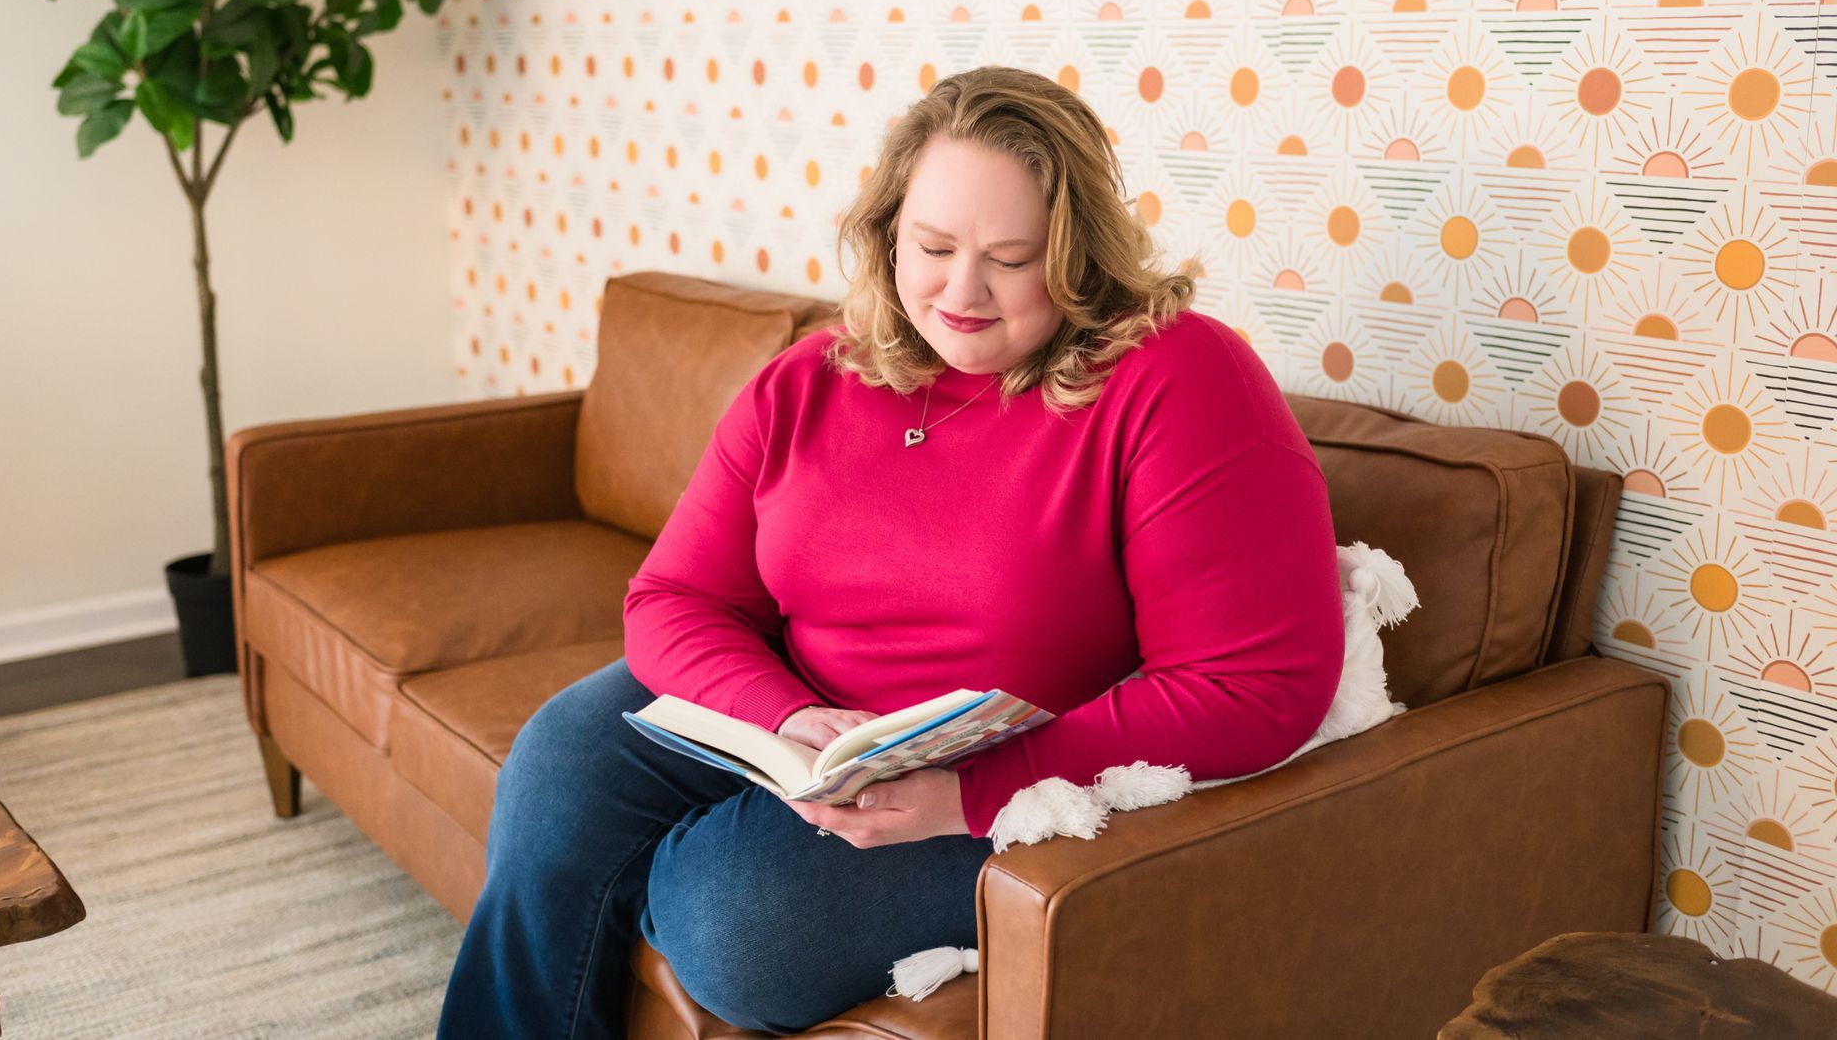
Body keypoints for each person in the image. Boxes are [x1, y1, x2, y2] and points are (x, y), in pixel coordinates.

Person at [435, 66, 1346, 1038]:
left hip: (1014, 766)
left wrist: (973, 789)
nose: (961, 290)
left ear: (1080, 256)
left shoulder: (1176, 378)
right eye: (934, 245)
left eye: (1011, 256)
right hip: (809, 726)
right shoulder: (812, 377)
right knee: (564, 758)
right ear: (888, 231)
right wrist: (786, 714)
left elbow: (1259, 679)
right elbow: (673, 596)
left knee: (732, 921)